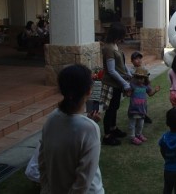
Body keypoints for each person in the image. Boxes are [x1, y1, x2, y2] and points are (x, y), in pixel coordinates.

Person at [38, 64, 104, 194]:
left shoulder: (52, 118)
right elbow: (83, 181)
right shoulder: (89, 129)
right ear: (89, 91)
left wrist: (47, 189)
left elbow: (42, 162)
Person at [100, 22, 132, 146]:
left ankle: (113, 129)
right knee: (110, 110)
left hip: (117, 84)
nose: (123, 38)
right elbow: (111, 70)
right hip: (111, 84)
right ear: (116, 34)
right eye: (122, 35)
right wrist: (125, 83)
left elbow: (121, 65)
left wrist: (128, 72)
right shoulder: (108, 48)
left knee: (115, 108)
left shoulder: (114, 45)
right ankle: (107, 136)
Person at [127, 67, 160, 145]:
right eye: (138, 78)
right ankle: (132, 137)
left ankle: (138, 134)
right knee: (132, 124)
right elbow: (128, 94)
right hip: (133, 109)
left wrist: (155, 90)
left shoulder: (146, 87)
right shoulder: (132, 85)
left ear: (145, 79)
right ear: (135, 78)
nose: (139, 80)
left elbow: (150, 94)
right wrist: (127, 92)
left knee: (140, 124)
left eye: (141, 78)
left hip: (142, 110)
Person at [130, 51, 153, 124]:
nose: (139, 60)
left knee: (144, 103)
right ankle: (134, 116)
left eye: (140, 58)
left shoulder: (144, 69)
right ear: (132, 61)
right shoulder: (131, 71)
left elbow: (148, 80)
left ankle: (144, 116)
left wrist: (149, 87)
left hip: (143, 90)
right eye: (136, 59)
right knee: (134, 103)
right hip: (135, 91)